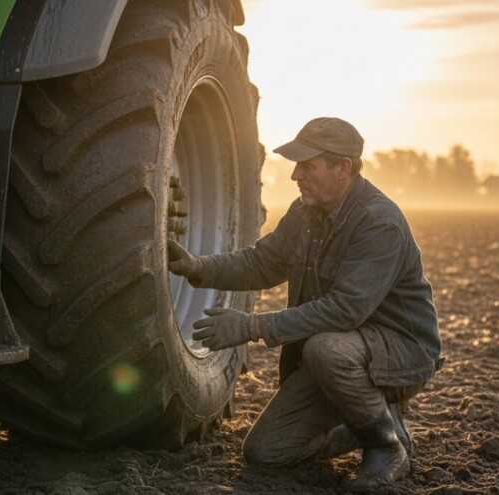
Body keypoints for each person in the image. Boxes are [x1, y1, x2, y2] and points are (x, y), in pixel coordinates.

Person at [167, 117, 443, 491]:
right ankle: (372, 421)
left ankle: (386, 446)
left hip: (399, 352)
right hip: (341, 355)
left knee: (326, 349)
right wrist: (197, 267)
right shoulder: (306, 213)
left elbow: (344, 310)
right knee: (266, 452)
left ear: (343, 168)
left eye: (308, 166)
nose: (296, 175)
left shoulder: (379, 223)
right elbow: (261, 262)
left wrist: (252, 327)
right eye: (297, 166)